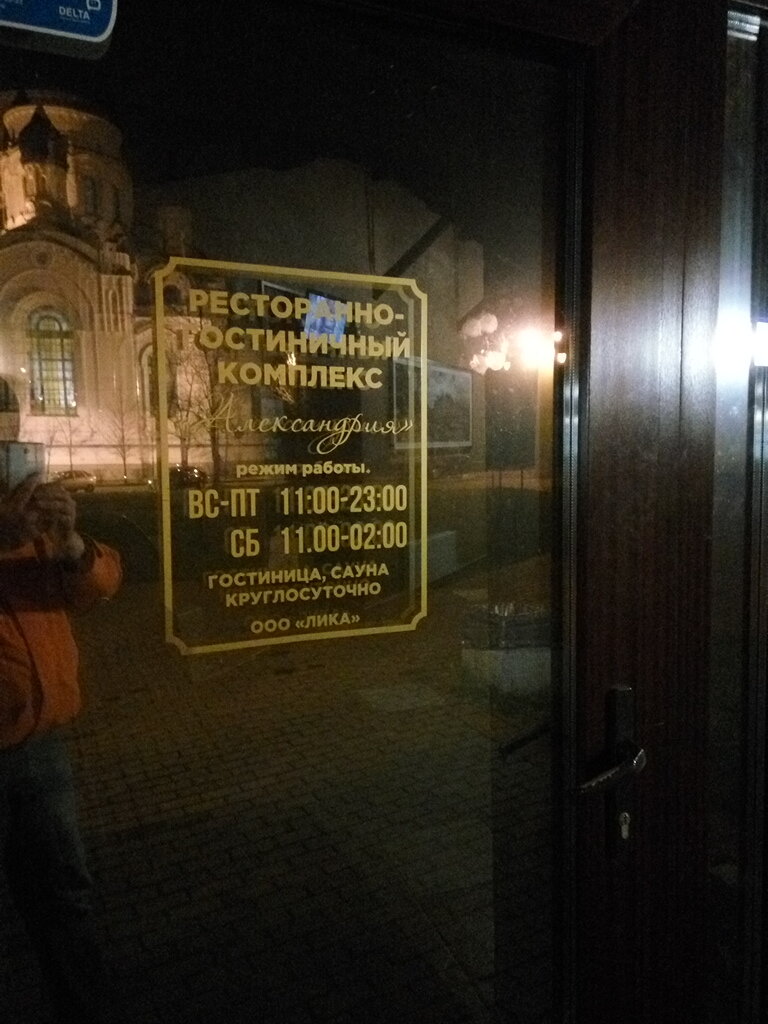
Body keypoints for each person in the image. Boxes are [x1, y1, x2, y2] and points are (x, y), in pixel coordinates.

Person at [0, 472, 122, 1024]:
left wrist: (71, 543)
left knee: (65, 899)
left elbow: (100, 586)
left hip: (40, 748)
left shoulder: (24, 510)